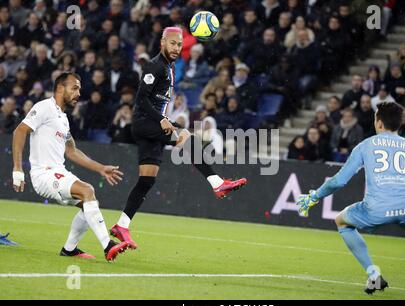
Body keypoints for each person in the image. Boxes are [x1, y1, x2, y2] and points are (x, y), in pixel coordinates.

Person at [110, 27, 247, 249]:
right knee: (188, 139)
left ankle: (122, 225)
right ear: (162, 42)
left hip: (150, 124)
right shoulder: (154, 65)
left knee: (147, 179)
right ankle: (217, 183)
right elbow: (141, 99)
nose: (176, 48)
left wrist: (163, 119)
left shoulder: (168, 66)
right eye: (172, 43)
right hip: (146, 123)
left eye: (179, 45)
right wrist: (162, 120)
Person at [297, 102, 405, 300]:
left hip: (377, 209)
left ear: (378, 122)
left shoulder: (366, 145)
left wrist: (314, 197)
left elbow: (338, 182)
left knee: (342, 221)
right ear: (398, 124)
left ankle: (373, 274)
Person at [11, 72, 129, 261]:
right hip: (44, 175)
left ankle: (69, 249)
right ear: (60, 88)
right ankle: (108, 246)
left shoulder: (63, 119)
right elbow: (19, 131)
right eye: (74, 88)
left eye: (79, 89)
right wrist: (18, 168)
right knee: (87, 190)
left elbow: (72, 151)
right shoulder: (44, 107)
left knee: (89, 204)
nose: (78, 93)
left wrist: (100, 168)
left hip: (59, 172)